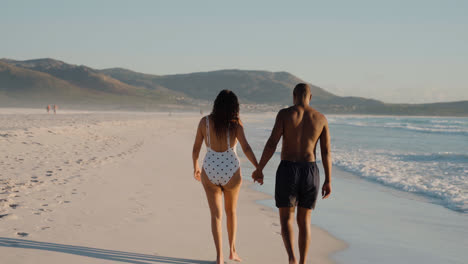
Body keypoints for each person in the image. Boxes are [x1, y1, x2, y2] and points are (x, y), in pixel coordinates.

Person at [252, 83, 332, 264]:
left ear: (294, 95)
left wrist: (259, 169)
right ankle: (303, 261)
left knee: (286, 218)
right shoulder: (320, 118)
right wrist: (328, 179)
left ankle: (292, 259)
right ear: (310, 97)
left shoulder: (285, 114)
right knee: (304, 221)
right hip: (310, 171)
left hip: (288, 169)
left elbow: (272, 143)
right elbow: (326, 152)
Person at [192, 90, 259, 264]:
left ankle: (219, 257)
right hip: (231, 170)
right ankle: (232, 251)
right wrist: (258, 167)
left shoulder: (204, 122)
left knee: (216, 215)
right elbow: (246, 148)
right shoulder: (236, 124)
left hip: (210, 168)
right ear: (234, 107)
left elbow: (196, 148)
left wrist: (196, 167)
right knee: (231, 212)